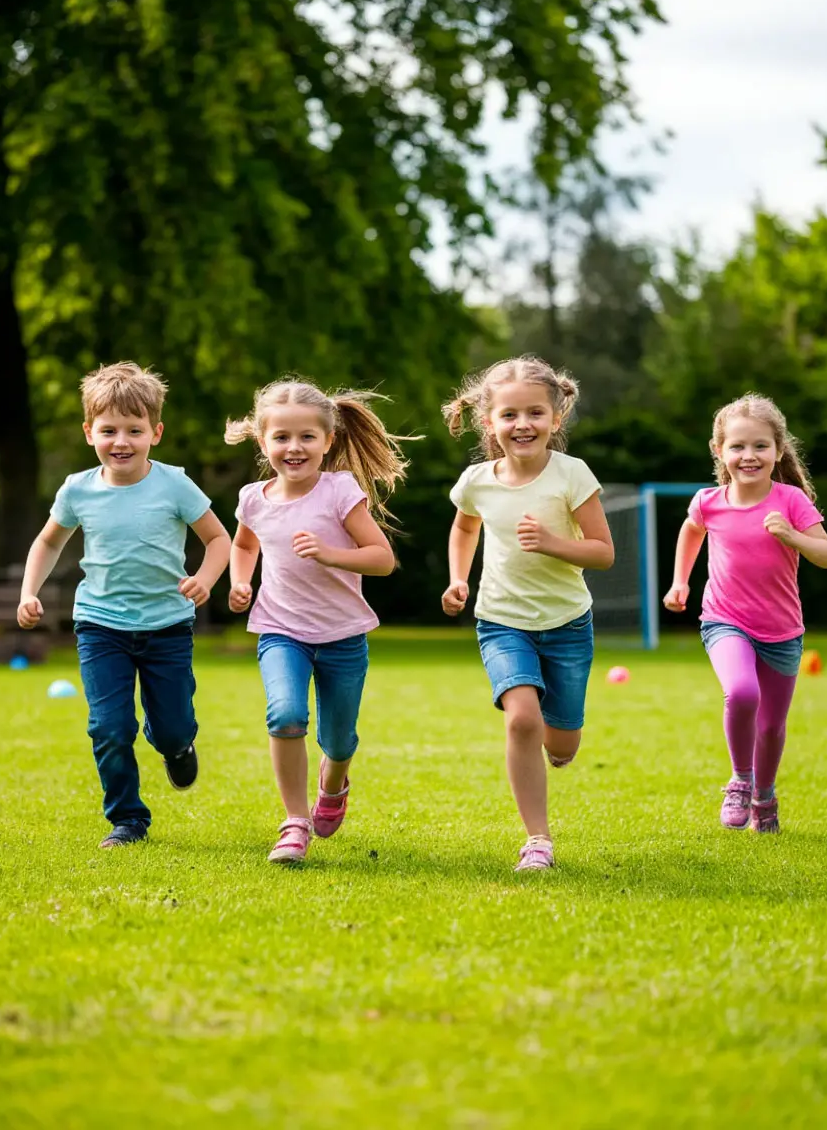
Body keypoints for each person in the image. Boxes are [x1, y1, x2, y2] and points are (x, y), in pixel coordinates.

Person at [17, 362, 231, 848]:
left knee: (174, 729)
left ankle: (174, 745)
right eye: (109, 430)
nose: (121, 441)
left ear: (155, 432)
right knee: (109, 727)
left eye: (134, 430)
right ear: (89, 431)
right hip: (100, 625)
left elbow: (219, 540)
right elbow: (48, 543)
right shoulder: (78, 489)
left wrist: (204, 579)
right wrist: (30, 591)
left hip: (167, 626)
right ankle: (128, 820)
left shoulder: (174, 484)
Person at [441, 356, 614, 872]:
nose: (523, 424)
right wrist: (457, 578)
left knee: (561, 741)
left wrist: (555, 544)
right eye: (510, 415)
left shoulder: (572, 475)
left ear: (555, 419)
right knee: (521, 721)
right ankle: (537, 839)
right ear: (490, 423)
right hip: (501, 621)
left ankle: (560, 744)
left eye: (535, 413)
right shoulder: (476, 481)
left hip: (566, 625)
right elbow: (464, 529)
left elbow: (603, 551)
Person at [225, 379, 409, 865]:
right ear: (262, 441)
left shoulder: (339, 491)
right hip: (280, 630)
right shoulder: (253, 498)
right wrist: (241, 582)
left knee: (339, 738)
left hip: (343, 635)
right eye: (281, 437)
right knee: (284, 715)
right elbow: (244, 546)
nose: (294, 447)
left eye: (307, 437)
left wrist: (330, 554)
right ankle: (294, 822)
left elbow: (382, 559)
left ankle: (333, 781)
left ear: (328, 442)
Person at [664, 393, 827, 833]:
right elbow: (690, 533)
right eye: (737, 446)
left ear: (778, 451)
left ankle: (764, 796)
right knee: (742, 694)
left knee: (772, 727)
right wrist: (680, 581)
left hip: (781, 630)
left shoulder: (792, 501)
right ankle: (741, 780)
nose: (749, 455)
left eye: (760, 446)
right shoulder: (709, 501)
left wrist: (792, 537)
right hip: (724, 619)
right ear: (719, 450)